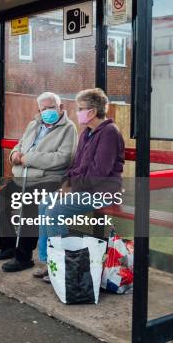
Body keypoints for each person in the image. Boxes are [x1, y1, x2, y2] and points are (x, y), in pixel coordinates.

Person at [36, 88, 125, 281]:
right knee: (45, 203)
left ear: (92, 112)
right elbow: (77, 166)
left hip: (103, 191)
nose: (77, 113)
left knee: (55, 211)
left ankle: (65, 266)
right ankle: (48, 261)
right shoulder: (87, 133)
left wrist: (72, 189)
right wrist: (65, 185)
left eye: (80, 108)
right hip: (83, 189)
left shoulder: (109, 132)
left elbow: (98, 174)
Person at [0, 92, 77, 272]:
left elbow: (64, 158)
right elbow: (19, 146)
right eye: (43, 108)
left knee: (30, 208)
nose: (47, 111)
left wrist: (29, 159)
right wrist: (14, 155)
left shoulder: (69, 128)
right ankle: (8, 247)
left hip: (50, 179)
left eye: (51, 107)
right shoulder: (33, 124)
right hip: (23, 177)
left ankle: (24, 257)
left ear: (60, 108)